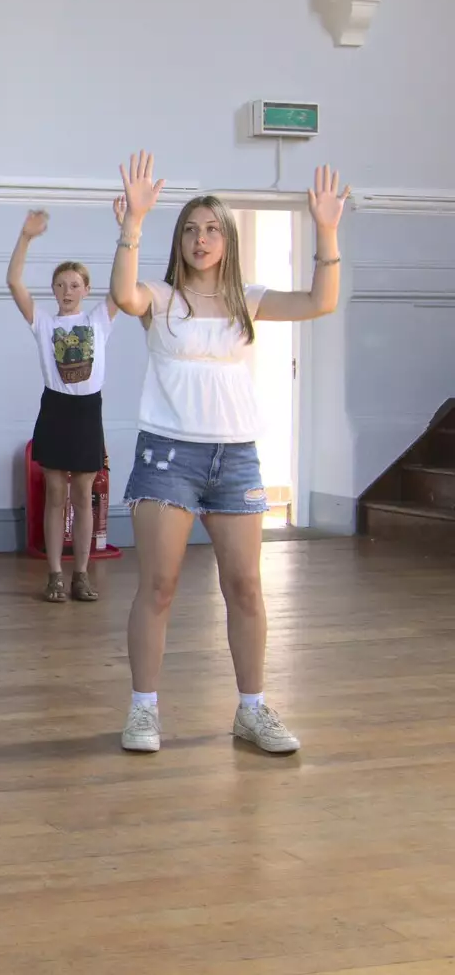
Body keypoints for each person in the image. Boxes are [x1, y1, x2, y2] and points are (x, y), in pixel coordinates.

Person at [109, 151, 350, 755]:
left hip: (235, 457)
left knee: (245, 587)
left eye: (213, 228)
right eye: (190, 228)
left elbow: (321, 301)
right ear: (179, 239)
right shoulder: (159, 298)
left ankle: (251, 709)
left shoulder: (249, 298)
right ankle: (143, 711)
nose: (201, 238)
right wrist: (132, 224)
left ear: (228, 239)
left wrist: (325, 229)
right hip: (167, 455)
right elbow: (122, 292)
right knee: (158, 587)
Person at [6, 207, 120, 603]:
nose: (67, 291)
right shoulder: (44, 324)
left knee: (83, 495)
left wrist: (127, 229)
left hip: (88, 413)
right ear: (53, 290)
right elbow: (14, 281)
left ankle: (81, 574)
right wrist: (26, 236)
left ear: (86, 289)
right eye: (60, 285)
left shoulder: (99, 320)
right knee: (56, 493)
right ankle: (55, 574)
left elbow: (122, 289)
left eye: (74, 284)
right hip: (56, 410)